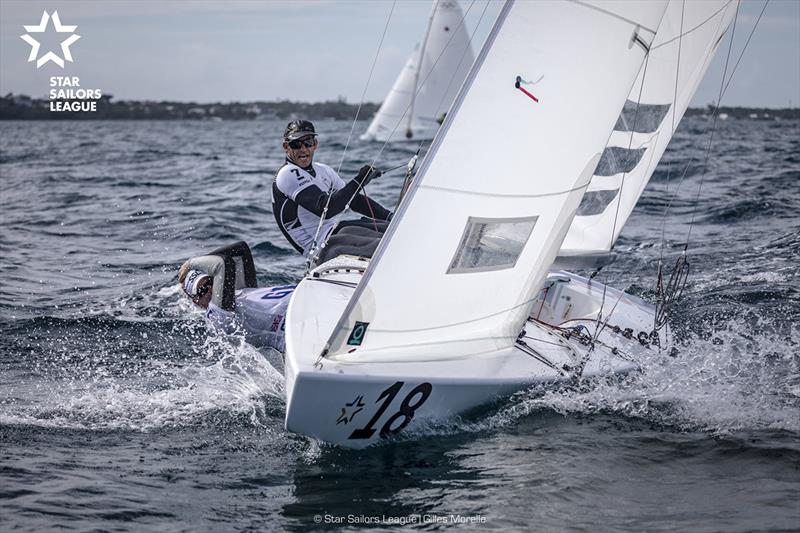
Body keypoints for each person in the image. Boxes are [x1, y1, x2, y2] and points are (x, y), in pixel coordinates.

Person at [272, 120, 394, 264]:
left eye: (308, 143)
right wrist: (359, 180)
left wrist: (390, 216)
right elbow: (325, 209)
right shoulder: (287, 174)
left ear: (315, 144)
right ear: (286, 147)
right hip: (322, 249)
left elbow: (354, 201)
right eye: (296, 144)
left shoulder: (323, 170)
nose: (303, 149)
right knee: (387, 244)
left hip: (337, 231)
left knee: (393, 228)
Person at [179, 241, 295, 353]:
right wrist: (190, 264)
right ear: (196, 301)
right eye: (202, 290)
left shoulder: (239, 291)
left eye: (210, 281)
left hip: (302, 295)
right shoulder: (218, 316)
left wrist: (195, 265)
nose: (210, 289)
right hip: (297, 328)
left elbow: (241, 249)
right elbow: (223, 263)